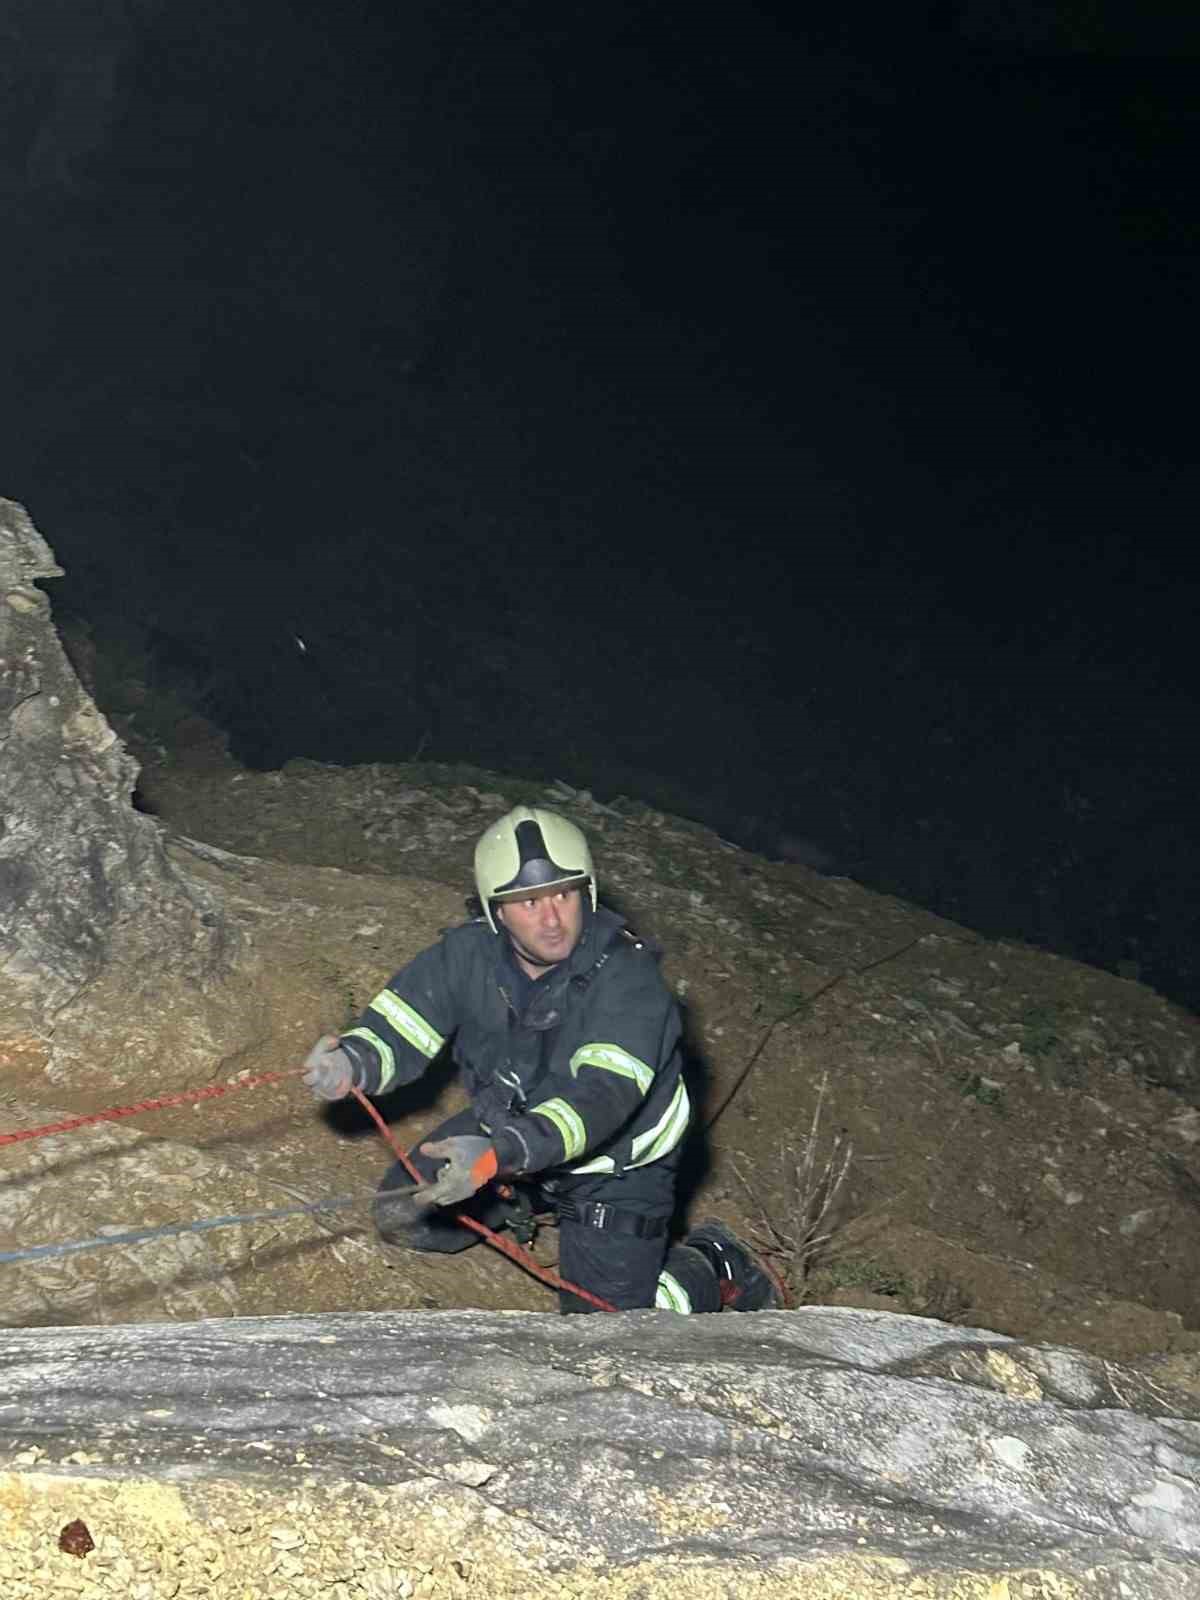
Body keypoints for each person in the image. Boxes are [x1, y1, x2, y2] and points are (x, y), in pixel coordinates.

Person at [302, 805, 785, 1314]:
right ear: (496, 911)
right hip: (514, 1128)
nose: (552, 919)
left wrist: (500, 1156)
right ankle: (532, 1195)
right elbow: (402, 1026)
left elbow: (598, 1101)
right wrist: (353, 1061)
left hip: (613, 1165)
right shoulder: (467, 957)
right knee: (406, 1215)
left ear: (588, 893)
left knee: (612, 1336)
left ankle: (713, 1264)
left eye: (564, 893)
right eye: (528, 901)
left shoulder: (630, 984)